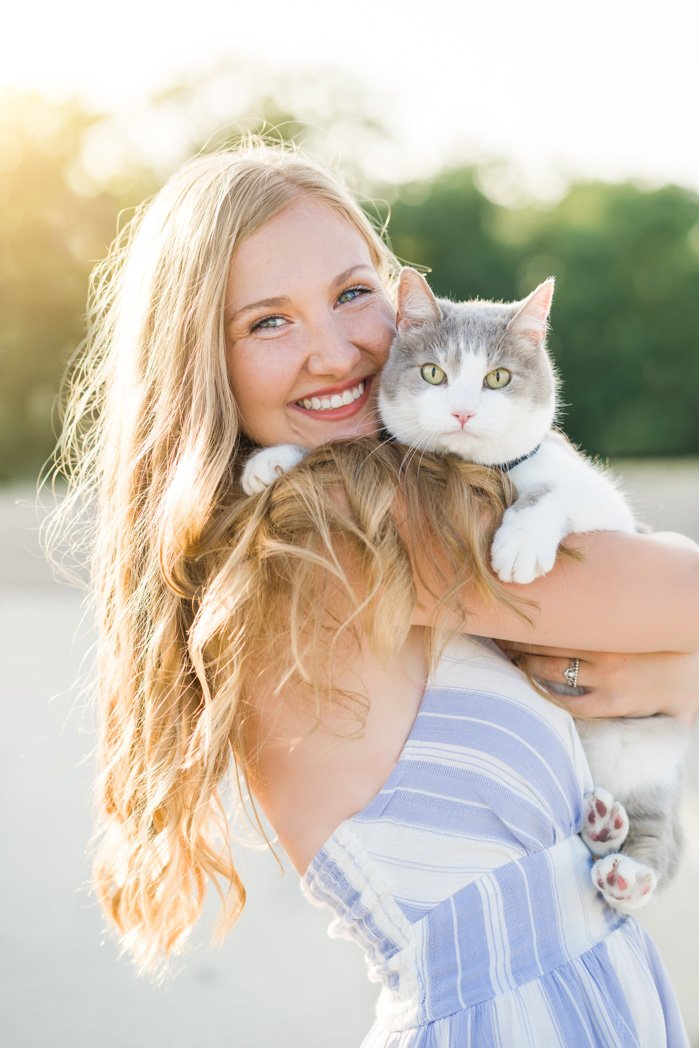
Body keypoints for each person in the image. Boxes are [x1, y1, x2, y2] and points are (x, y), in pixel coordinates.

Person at [48, 139, 699, 1046]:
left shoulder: (383, 507)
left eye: (353, 293)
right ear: (202, 365)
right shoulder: (343, 526)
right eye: (266, 323)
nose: (333, 351)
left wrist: (665, 681)